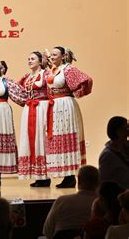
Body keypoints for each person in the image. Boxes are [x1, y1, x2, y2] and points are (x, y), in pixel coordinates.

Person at [45, 46, 93, 188]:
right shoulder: (53, 70)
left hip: (65, 105)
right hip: (55, 106)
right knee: (59, 138)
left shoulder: (68, 69)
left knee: (67, 138)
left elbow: (87, 80)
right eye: (51, 55)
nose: (52, 57)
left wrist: (77, 92)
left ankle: (71, 176)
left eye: (55, 55)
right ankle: (67, 175)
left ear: (63, 56)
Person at [17, 52, 51, 187]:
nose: (30, 61)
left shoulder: (45, 74)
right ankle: (37, 175)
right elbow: (18, 89)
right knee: (30, 139)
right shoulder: (27, 76)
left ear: (40, 61)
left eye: (33, 59)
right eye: (28, 59)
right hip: (29, 107)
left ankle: (45, 176)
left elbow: (52, 88)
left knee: (41, 138)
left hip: (41, 106)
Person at [43, 165, 100, 238]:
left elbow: (47, 231)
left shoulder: (62, 201)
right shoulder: (101, 204)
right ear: (98, 181)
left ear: (78, 180)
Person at [99, 116, 129, 189]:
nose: (128, 131)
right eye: (125, 129)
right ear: (117, 131)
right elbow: (104, 181)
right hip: (120, 196)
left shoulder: (126, 147)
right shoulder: (107, 155)